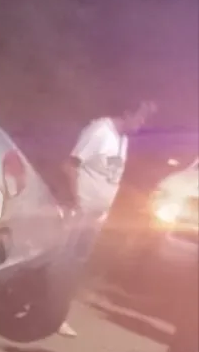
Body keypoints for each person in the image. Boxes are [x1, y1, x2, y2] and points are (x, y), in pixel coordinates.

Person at [57, 100, 157, 337]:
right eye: (141, 117)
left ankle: (57, 314)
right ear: (127, 112)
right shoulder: (100, 131)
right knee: (61, 263)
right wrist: (77, 202)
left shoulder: (123, 139)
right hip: (80, 214)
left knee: (75, 266)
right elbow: (69, 166)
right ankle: (48, 311)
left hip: (95, 217)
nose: (142, 123)